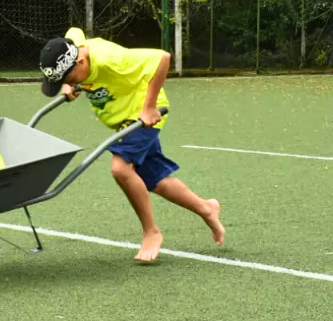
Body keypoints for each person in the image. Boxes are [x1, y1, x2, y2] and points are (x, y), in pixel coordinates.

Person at [39, 28, 224, 263]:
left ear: (81, 61)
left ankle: (151, 232)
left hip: (142, 117)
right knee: (156, 181)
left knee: (120, 168)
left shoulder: (112, 60)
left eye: (70, 78)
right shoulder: (74, 47)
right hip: (123, 119)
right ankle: (206, 208)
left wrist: (148, 108)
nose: (70, 83)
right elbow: (74, 31)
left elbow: (162, 58)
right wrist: (68, 84)